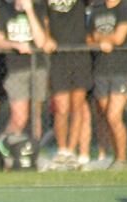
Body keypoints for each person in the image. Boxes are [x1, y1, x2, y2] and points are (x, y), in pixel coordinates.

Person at [87, 0, 127, 171]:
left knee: (114, 116)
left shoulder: (126, 8)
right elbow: (88, 37)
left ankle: (122, 160)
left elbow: (119, 38)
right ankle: (109, 156)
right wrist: (101, 40)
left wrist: (99, 38)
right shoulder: (97, 9)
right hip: (100, 69)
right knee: (104, 116)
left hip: (120, 70)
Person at [44, 0, 91, 169]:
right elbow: (45, 20)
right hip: (58, 57)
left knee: (77, 107)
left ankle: (72, 151)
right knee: (61, 108)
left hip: (80, 56)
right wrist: (47, 38)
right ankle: (62, 150)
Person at [0, 0, 47, 142]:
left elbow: (41, 42)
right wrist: (15, 45)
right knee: (19, 116)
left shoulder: (39, 9)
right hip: (15, 69)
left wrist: (29, 11)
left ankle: (32, 151)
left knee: (35, 115)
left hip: (37, 67)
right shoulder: (4, 10)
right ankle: (3, 146)